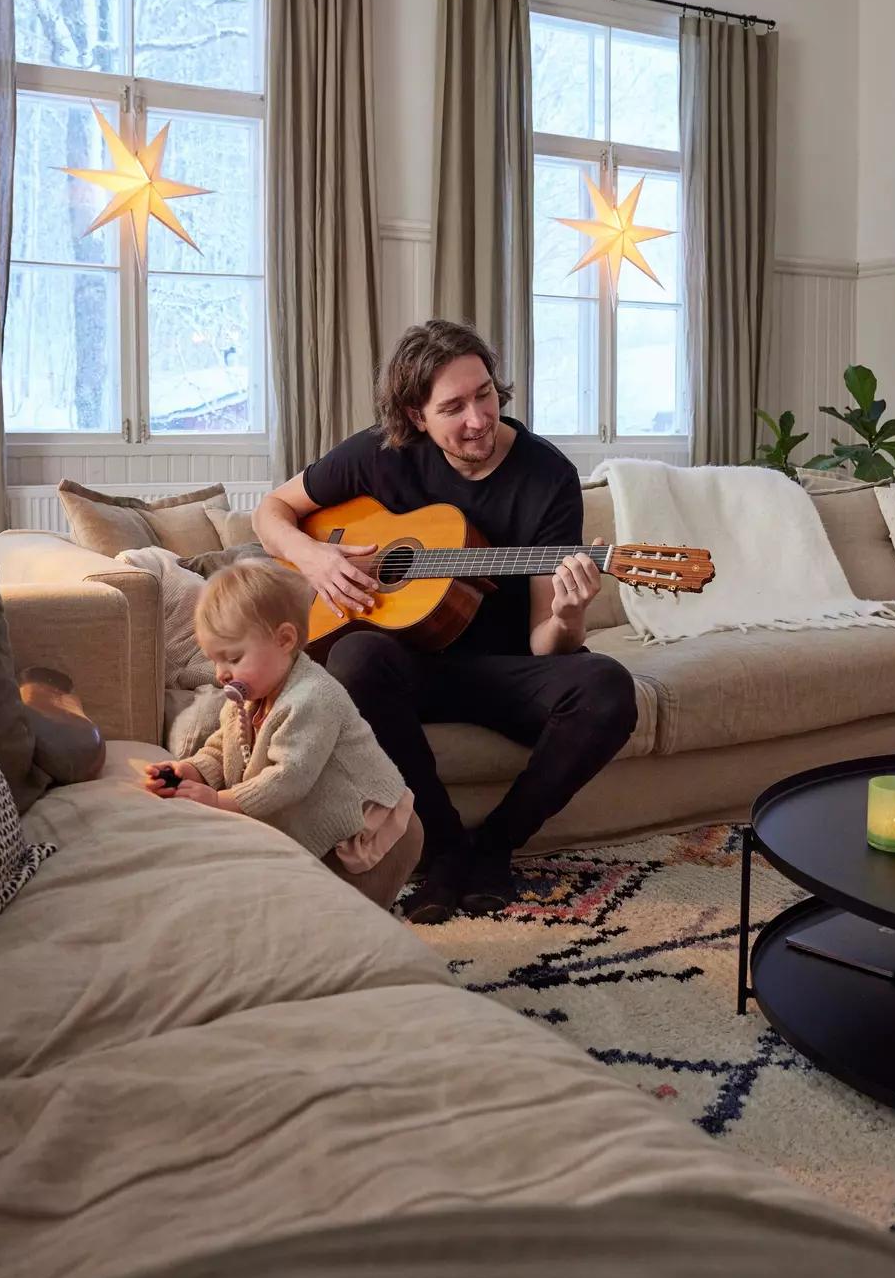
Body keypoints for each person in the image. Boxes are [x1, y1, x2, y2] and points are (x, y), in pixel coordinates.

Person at [254, 319, 638, 924]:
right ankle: (443, 846)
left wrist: (569, 612)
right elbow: (271, 511)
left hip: (505, 669)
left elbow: (548, 643)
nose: (479, 419)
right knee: (355, 657)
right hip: (410, 667)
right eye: (453, 407)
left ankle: (493, 847)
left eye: (484, 394)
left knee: (609, 688)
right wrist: (316, 557)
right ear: (415, 416)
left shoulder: (548, 478)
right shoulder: (379, 455)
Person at [143, 559, 424, 912]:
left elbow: (287, 778)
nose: (221, 674)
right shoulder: (248, 697)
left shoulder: (312, 697)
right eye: (215, 661)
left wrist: (218, 802)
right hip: (327, 830)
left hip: (373, 835)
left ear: (284, 640)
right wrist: (194, 770)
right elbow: (225, 746)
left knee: (343, 920)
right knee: (301, 906)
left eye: (232, 658)